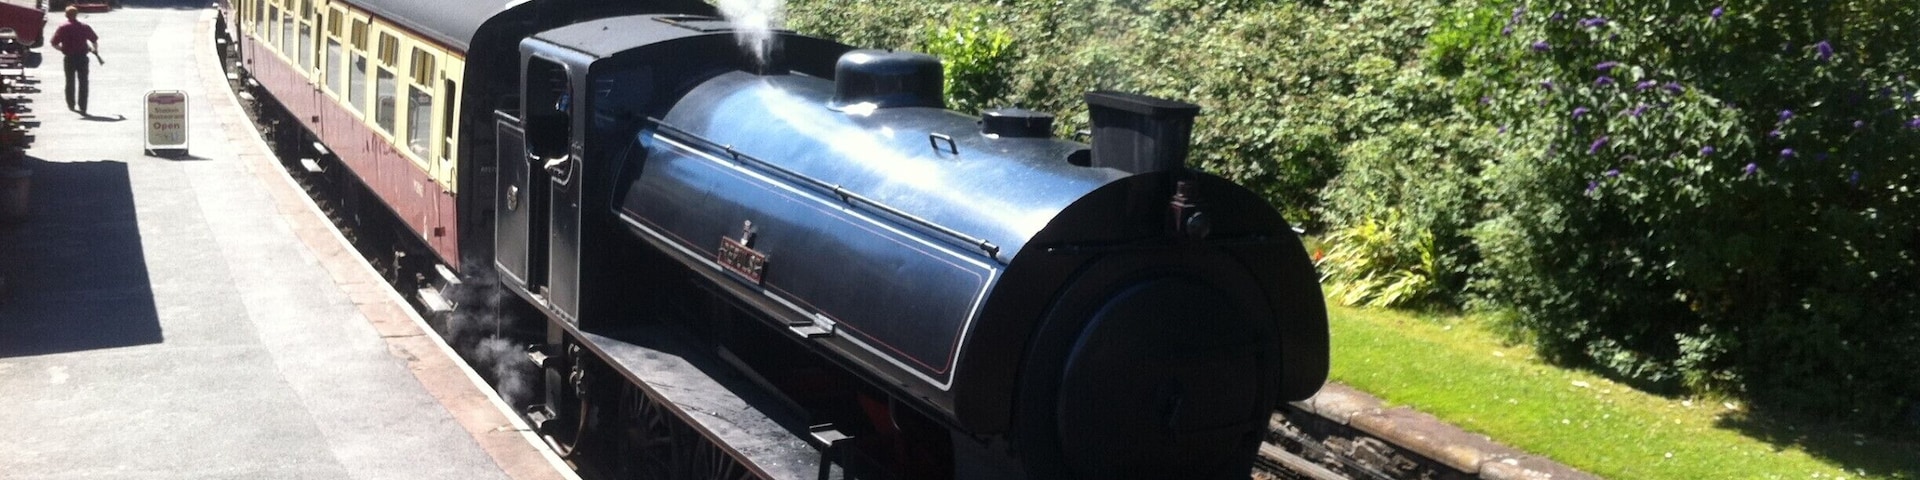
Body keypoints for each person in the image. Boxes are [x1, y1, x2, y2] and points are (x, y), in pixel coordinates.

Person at [49, 6, 100, 114]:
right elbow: (94, 40)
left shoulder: (62, 27)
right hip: (82, 57)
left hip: (69, 57)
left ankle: (71, 104)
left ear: (66, 15)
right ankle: (83, 106)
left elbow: (54, 43)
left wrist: (62, 49)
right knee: (83, 82)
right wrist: (95, 50)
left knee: (69, 81)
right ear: (76, 14)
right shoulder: (84, 26)